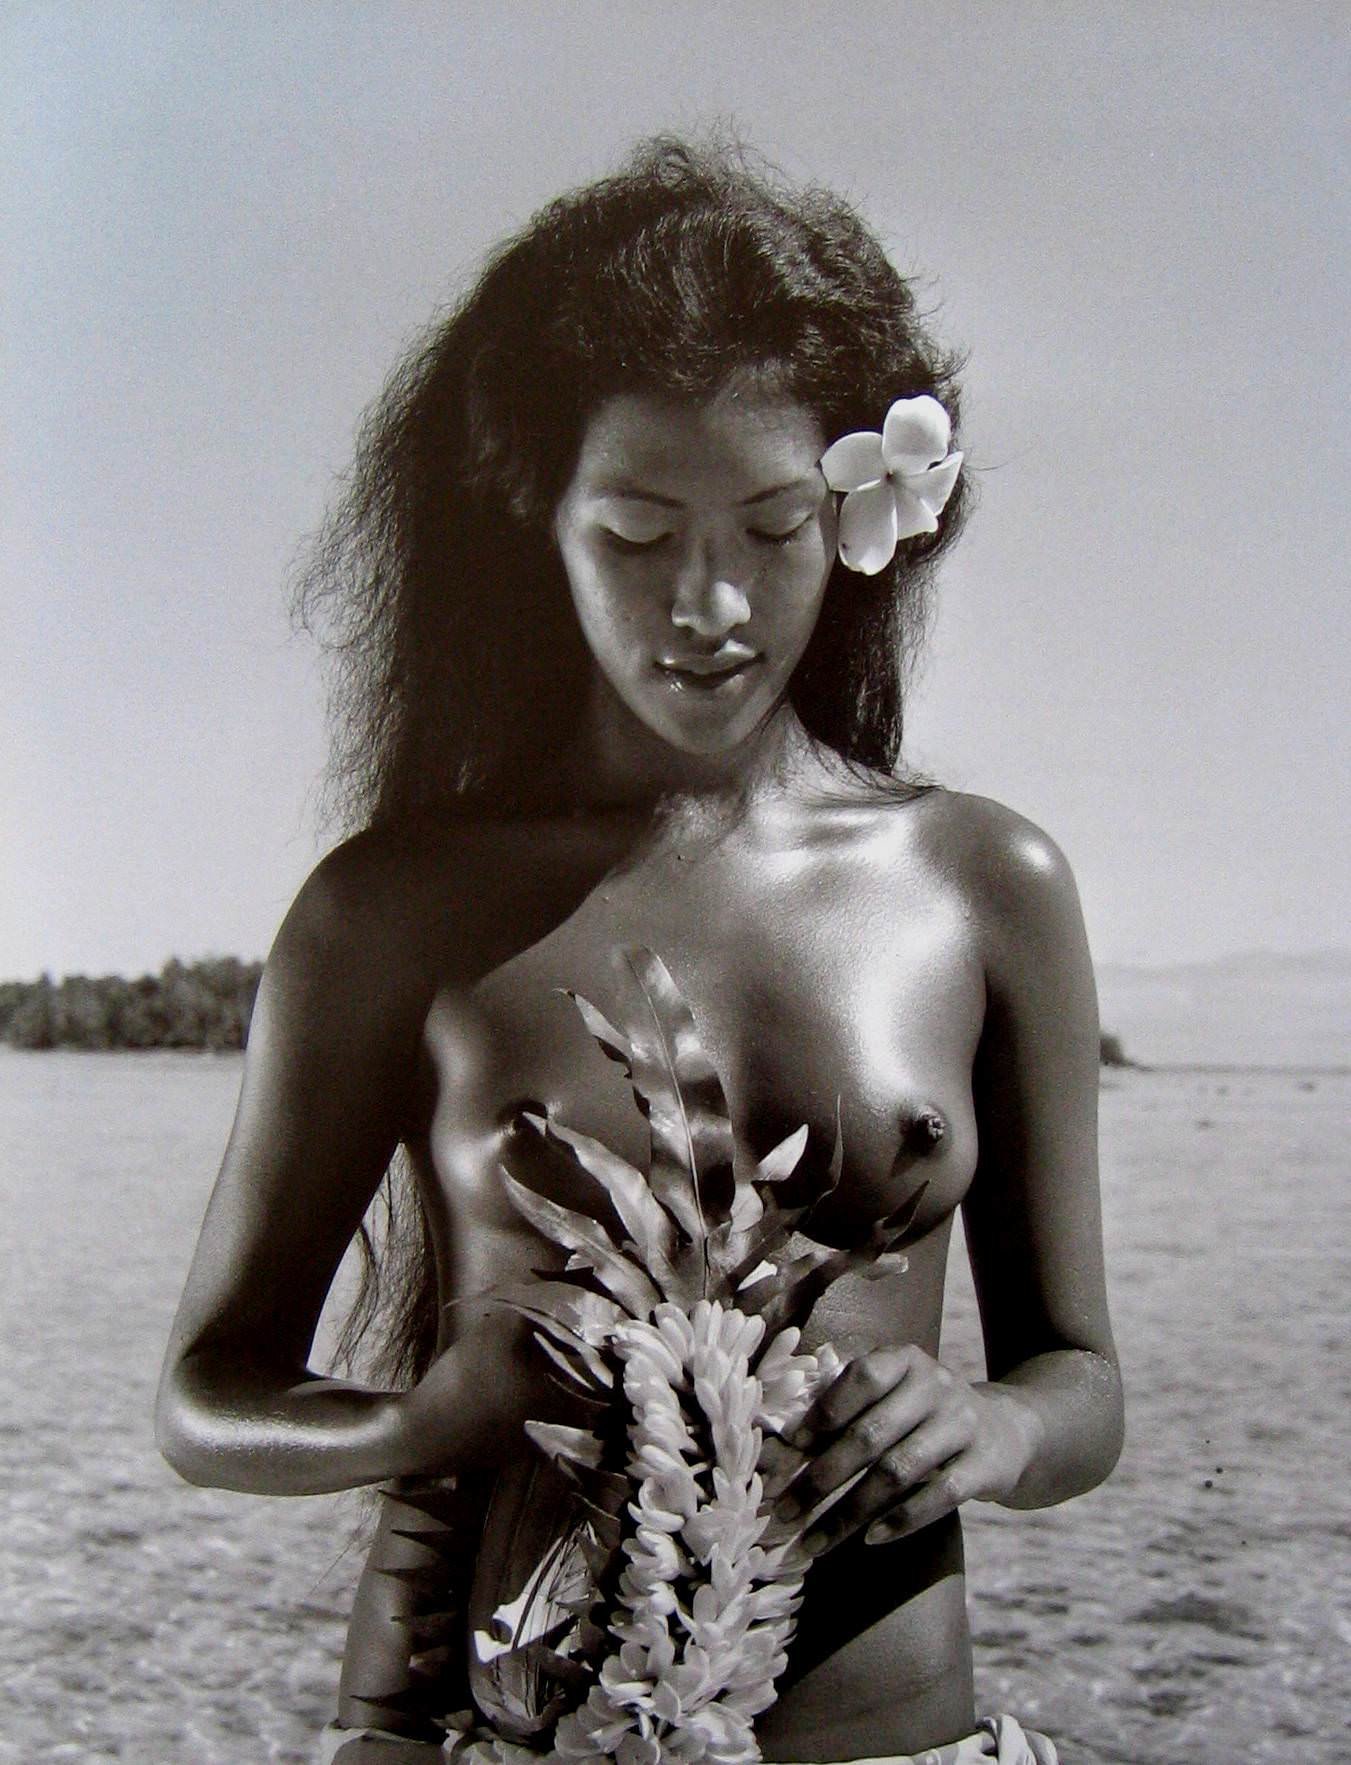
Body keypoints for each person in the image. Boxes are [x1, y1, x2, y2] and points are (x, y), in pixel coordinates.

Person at [156, 138, 1122, 1765]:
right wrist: (415, 1417)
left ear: (858, 520)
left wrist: (991, 1423)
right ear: (536, 521)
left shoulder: (981, 884)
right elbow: (205, 1393)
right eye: (638, 533)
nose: (711, 602)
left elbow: (1080, 1376)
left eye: (771, 527)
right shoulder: (392, 910)